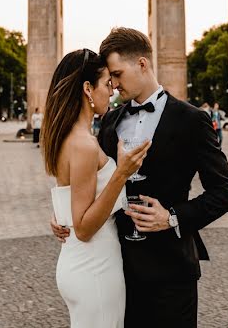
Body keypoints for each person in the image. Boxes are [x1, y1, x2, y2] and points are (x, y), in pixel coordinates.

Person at [52, 28, 228, 328]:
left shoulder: (192, 120)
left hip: (171, 271)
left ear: (142, 64)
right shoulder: (111, 120)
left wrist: (173, 217)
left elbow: (226, 192)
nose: (113, 85)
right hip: (118, 269)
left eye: (117, 74)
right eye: (109, 79)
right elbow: (92, 180)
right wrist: (64, 215)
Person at [45, 48, 150, 328]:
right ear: (88, 89)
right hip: (94, 265)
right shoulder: (83, 144)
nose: (112, 91)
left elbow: (70, 203)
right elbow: (84, 227)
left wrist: (59, 216)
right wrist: (122, 173)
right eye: (106, 84)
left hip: (79, 261)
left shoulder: (67, 136)